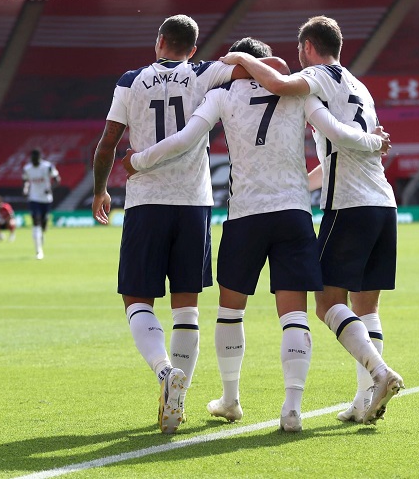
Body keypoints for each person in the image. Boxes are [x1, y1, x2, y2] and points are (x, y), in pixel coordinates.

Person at [123, 37, 389, 431]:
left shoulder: (223, 94)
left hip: (246, 214)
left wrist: (139, 161)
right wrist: (374, 141)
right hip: (295, 213)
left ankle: (230, 399)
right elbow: (335, 131)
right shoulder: (298, 91)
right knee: (294, 314)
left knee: (230, 311)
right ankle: (292, 409)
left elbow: (185, 139)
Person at [221, 16, 405, 425]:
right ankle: (363, 401)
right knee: (367, 306)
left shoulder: (317, 75)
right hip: (383, 202)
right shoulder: (360, 86)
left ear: (307, 47)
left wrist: (241, 58)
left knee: (326, 303)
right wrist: (297, 186)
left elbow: (281, 86)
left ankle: (380, 372)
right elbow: (339, 152)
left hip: (349, 205)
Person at [91, 15, 258, 434]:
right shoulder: (203, 72)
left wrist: (100, 190)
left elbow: (108, 142)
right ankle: (177, 400)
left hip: (147, 200)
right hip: (193, 202)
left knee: (137, 299)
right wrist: (232, 57)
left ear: (160, 40)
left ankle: (166, 373)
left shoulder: (130, 80)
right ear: (193, 47)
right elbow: (253, 66)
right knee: (187, 306)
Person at [22, 149, 60, 259]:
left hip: (46, 199)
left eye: (35, 159)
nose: (33, 161)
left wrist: (50, 189)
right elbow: (25, 181)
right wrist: (25, 189)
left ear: (39, 158)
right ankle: (38, 251)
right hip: (33, 198)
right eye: (32, 159)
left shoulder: (47, 167)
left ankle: (41, 233)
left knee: (43, 223)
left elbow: (57, 179)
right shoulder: (27, 169)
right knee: (36, 221)